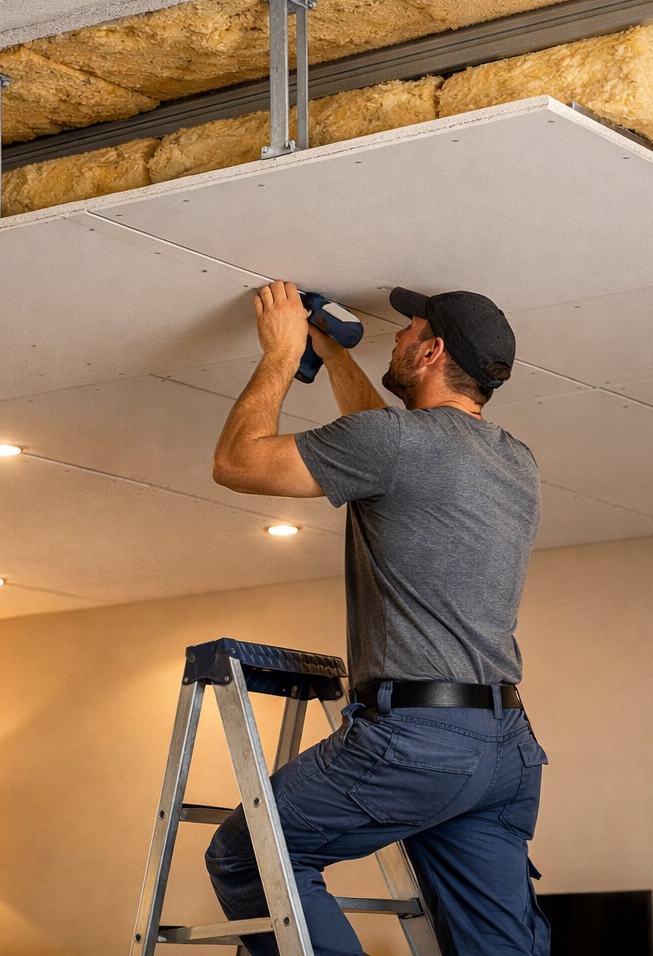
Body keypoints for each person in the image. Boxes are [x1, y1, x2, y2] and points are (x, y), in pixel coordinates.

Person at [208, 280, 548, 956]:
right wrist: (333, 354)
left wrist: (280, 352)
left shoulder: (396, 445)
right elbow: (387, 445)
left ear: (431, 351)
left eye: (408, 328)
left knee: (253, 855)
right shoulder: (515, 461)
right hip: (503, 747)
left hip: (417, 741)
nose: (395, 335)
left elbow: (236, 463)